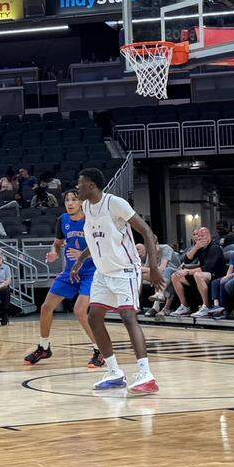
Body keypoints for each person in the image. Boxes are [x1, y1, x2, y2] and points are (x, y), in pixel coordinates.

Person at [69, 168, 164, 395]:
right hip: (103, 272)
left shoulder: (115, 203)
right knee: (94, 317)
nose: (77, 187)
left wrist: (152, 268)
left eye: (80, 183)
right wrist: (80, 261)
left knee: (128, 316)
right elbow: (95, 240)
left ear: (91, 185)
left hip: (125, 271)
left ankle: (146, 375)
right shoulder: (87, 208)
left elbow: (147, 233)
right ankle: (114, 373)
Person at [26, 190, 102, 366]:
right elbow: (57, 244)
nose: (70, 203)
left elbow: (103, 248)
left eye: (74, 200)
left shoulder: (92, 221)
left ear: (82, 202)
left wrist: (82, 256)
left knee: (79, 310)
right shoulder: (63, 220)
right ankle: (44, 348)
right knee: (46, 308)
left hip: (91, 273)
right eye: (67, 200)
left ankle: (100, 351)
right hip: (69, 272)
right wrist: (54, 253)